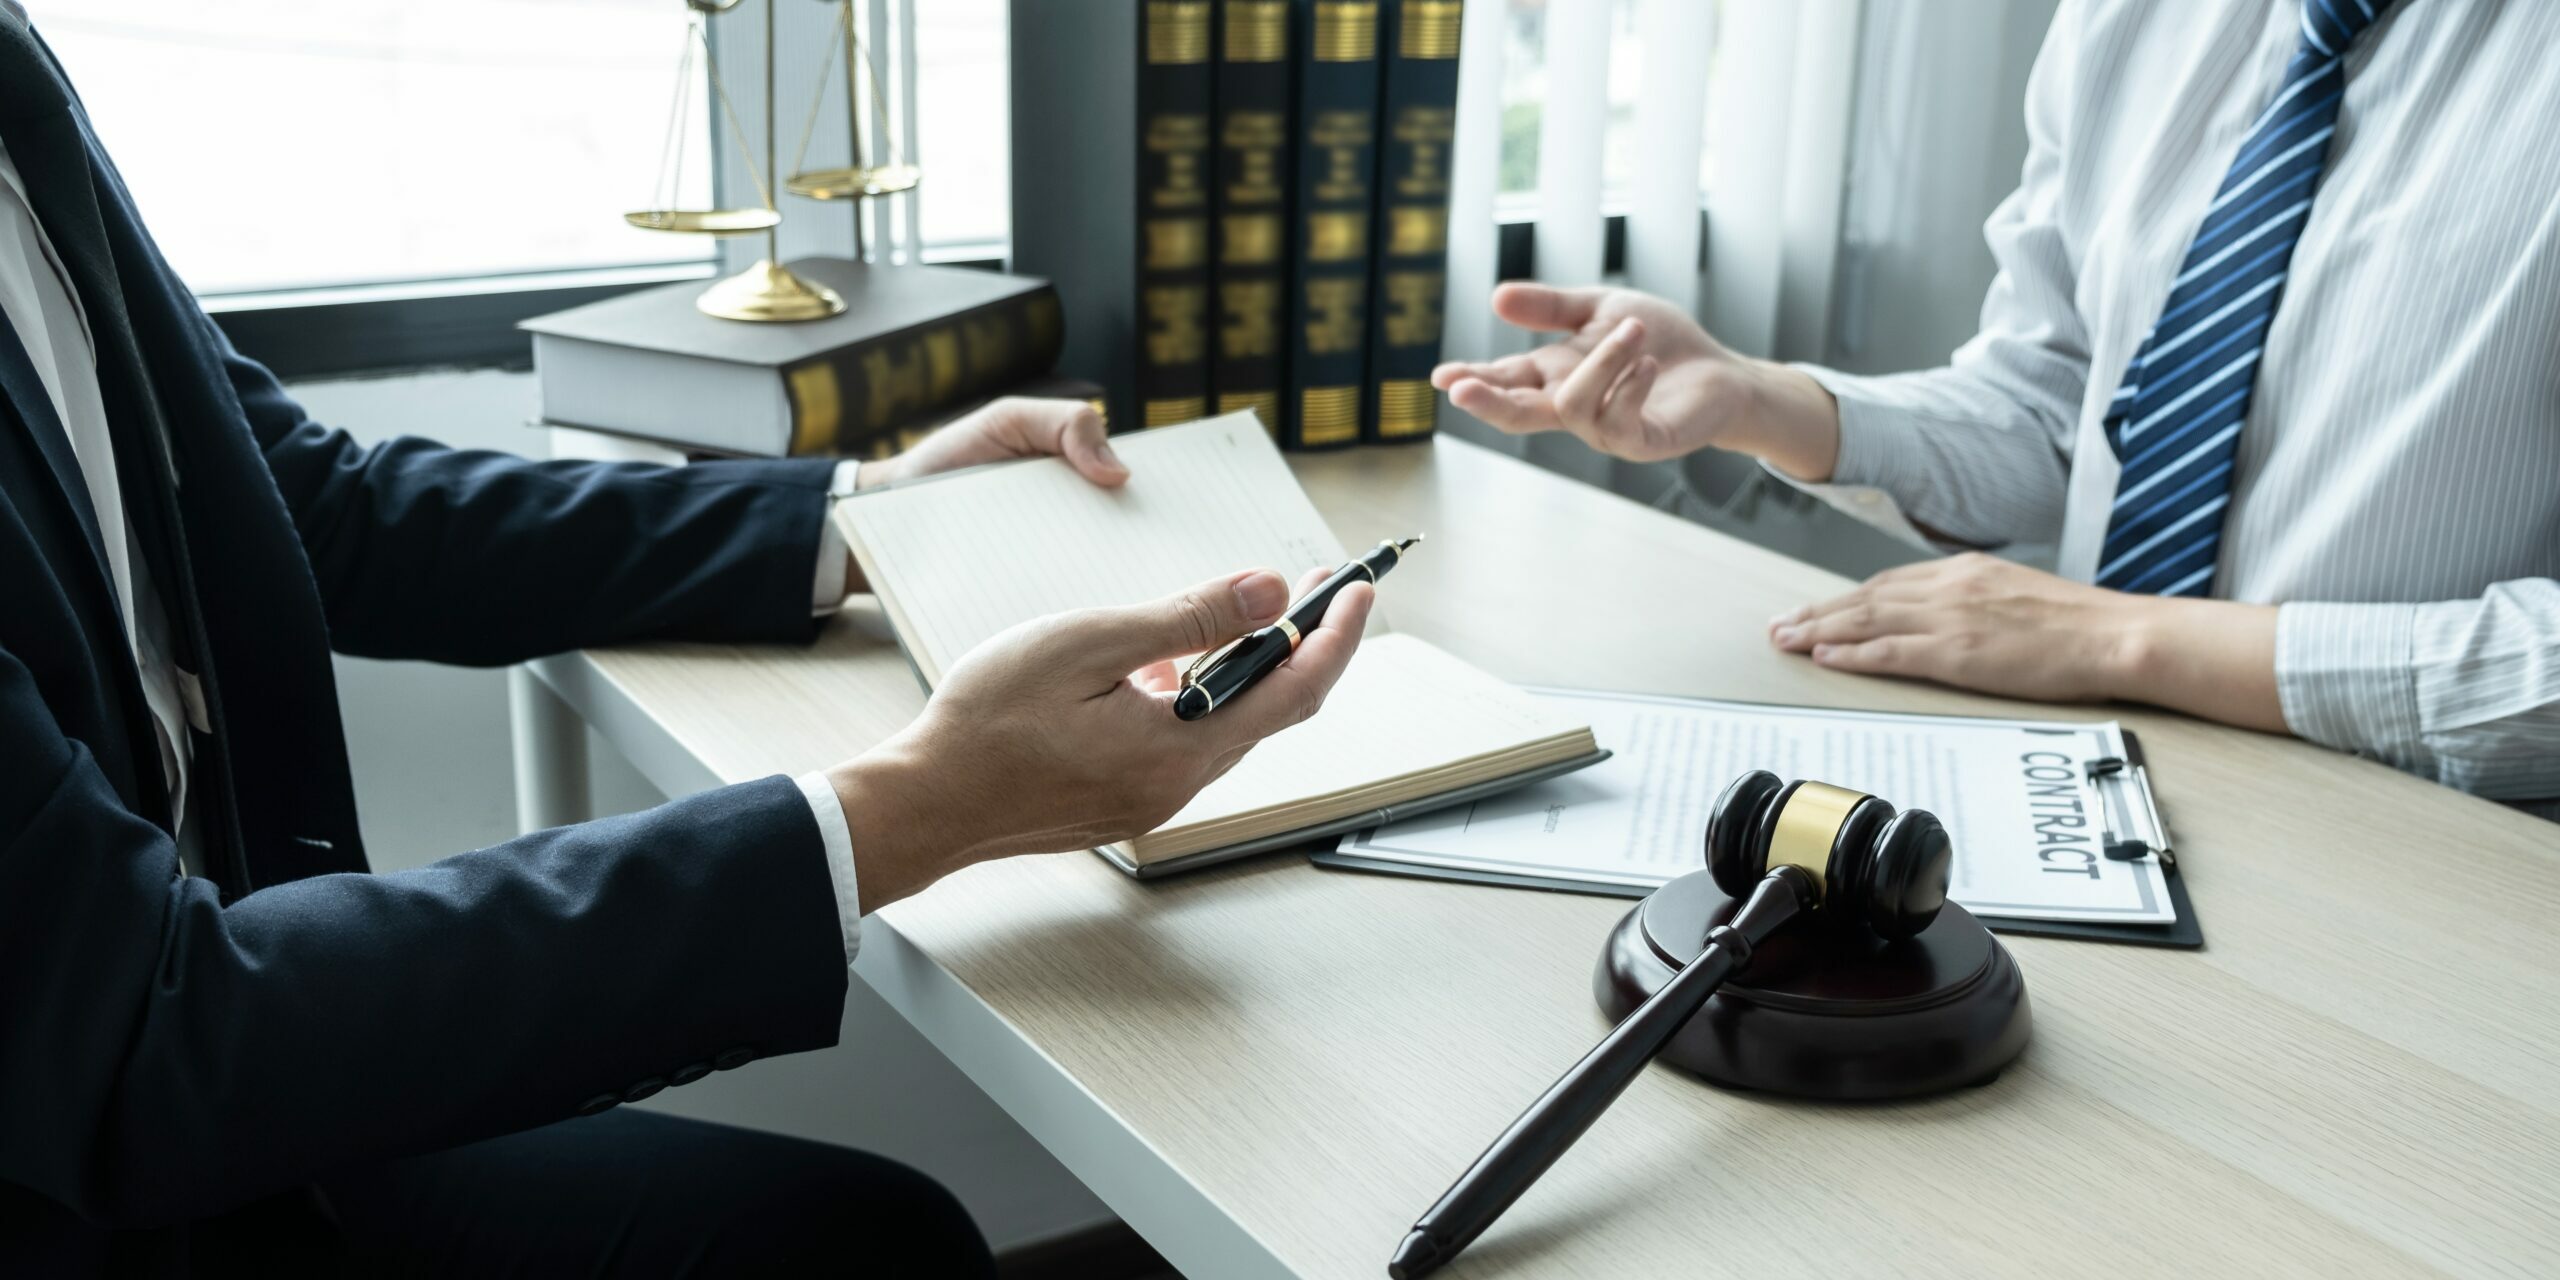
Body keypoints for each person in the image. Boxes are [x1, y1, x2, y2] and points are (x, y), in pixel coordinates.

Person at [0, 8, 1373, 1274]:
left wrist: (865, 521)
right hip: (116, 1194)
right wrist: (909, 810)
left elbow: (306, 505)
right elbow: (141, 1039)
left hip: (247, 1127)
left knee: (865, 1246)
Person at [1435, 0, 2557, 821]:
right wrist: (1761, 399)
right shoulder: (2129, 23)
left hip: (2437, 838)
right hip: (2105, 777)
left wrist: (2126, 640)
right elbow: (2065, 415)